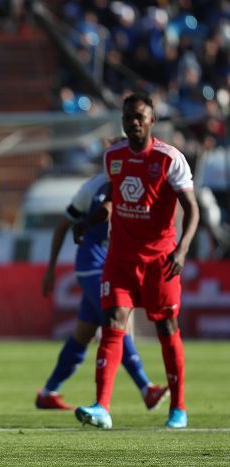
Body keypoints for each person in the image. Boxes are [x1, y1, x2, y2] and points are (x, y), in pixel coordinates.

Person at [73, 93, 200, 429]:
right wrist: (86, 222)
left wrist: (182, 250)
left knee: (166, 328)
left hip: (160, 261)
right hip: (121, 259)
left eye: (139, 117)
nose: (133, 123)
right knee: (112, 322)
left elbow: (192, 209)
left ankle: (178, 408)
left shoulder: (169, 159)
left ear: (152, 121)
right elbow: (112, 200)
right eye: (128, 117)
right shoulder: (113, 157)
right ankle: (102, 407)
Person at [37, 172, 169, 411]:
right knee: (116, 322)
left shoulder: (139, 182)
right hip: (92, 267)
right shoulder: (92, 188)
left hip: (114, 267)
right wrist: (51, 268)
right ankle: (146, 388)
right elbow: (64, 225)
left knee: (83, 334)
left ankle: (48, 392)